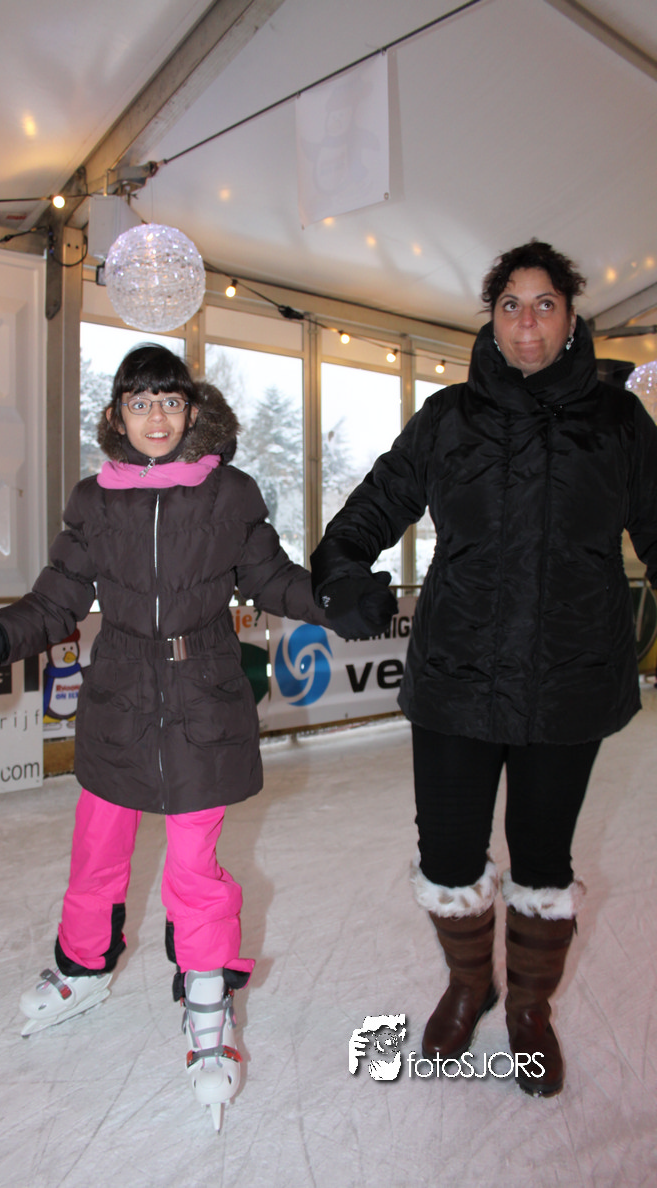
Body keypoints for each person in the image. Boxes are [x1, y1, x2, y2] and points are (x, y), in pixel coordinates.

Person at [0, 343, 326, 1131]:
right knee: (97, 850)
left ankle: (207, 995)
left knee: (194, 865)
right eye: (140, 402)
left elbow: (272, 579)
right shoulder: (95, 502)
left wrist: (337, 598)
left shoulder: (228, 493)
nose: (156, 416)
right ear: (118, 415)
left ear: (191, 410)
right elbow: (55, 600)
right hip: (118, 695)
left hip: (202, 695)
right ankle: (83, 968)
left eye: (169, 401)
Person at [311, 240, 657, 1097]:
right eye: (510, 304)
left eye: (545, 304)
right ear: (491, 319)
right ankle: (471, 985)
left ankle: (530, 1008)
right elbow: (369, 511)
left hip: (569, 679)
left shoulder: (620, 424)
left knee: (543, 860)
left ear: (571, 318)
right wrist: (342, 572)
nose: (527, 321)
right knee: (448, 854)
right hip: (457, 678)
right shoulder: (448, 417)